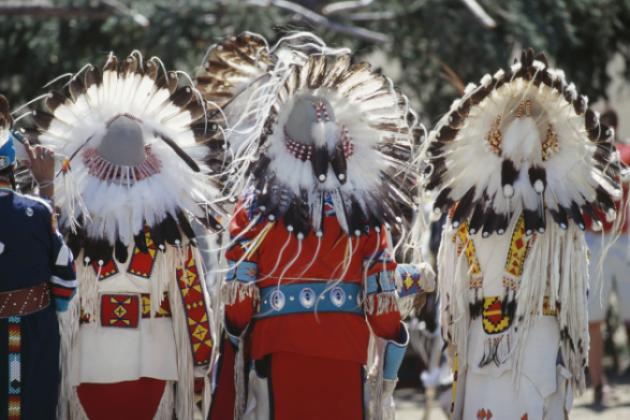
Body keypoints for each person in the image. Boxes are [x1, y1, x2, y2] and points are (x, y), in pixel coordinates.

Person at [198, 32, 434, 420]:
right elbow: (384, 311)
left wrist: (236, 338)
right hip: (344, 357)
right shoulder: (363, 216)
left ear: (277, 137)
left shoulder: (256, 210)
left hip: (278, 357)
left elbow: (238, 308)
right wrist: (390, 352)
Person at [426, 49, 622, 418]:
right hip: (481, 333)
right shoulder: (469, 204)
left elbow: (569, 285)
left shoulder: (557, 207)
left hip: (536, 333)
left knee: (531, 399)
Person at [28, 53, 221, 419]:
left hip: (101, 358)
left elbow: (47, 284)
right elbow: (192, 294)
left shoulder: (72, 225)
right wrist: (201, 361)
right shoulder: (168, 231)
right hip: (140, 357)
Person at [0, 94, 78, 419]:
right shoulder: (37, 211)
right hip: (28, 334)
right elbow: (65, 283)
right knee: (26, 408)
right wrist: (47, 185)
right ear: (13, 165)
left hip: (28, 329)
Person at [584, 109, 630, 406]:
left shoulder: (624, 152)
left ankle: (602, 383)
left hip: (622, 239)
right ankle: (599, 384)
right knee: (593, 320)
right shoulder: (585, 156)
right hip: (595, 239)